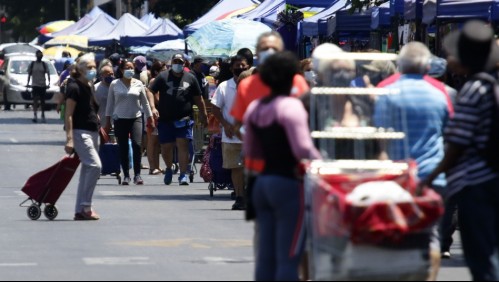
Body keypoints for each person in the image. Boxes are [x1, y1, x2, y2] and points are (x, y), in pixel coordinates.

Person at [422, 20, 499, 281]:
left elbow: (457, 143)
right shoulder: (491, 85)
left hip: (476, 183)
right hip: (493, 176)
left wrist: (432, 178)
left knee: (481, 257)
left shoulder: (472, 90)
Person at [374, 42, 450, 281]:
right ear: (427, 65)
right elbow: (450, 135)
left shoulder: (386, 89)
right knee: (431, 236)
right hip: (433, 175)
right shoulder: (441, 92)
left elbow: (379, 135)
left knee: (397, 235)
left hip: (396, 177)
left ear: (400, 64)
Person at [244, 51, 321, 281]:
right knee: (289, 257)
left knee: (266, 257)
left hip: (262, 185)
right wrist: (324, 165)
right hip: (288, 185)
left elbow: (250, 151)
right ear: (292, 77)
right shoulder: (291, 107)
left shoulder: (255, 108)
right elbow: (302, 149)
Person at [231, 31, 310, 142]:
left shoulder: (297, 82)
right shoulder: (246, 86)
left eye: (274, 49)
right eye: (265, 49)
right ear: (257, 54)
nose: (269, 52)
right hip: (258, 158)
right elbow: (236, 125)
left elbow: (308, 121)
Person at [148, 53, 208, 186]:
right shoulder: (163, 77)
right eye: (175, 61)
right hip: (165, 119)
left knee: (183, 145)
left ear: (184, 63)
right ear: (171, 62)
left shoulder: (191, 78)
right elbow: (150, 90)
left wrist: (204, 114)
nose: (178, 64)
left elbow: (198, 98)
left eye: (180, 62)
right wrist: (153, 107)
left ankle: (183, 174)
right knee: (166, 147)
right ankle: (169, 169)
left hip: (184, 118)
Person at [64, 53, 101, 221]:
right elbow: (69, 114)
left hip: (92, 131)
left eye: (94, 67)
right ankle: (86, 205)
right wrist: (70, 139)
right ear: (79, 69)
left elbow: (93, 106)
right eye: (89, 67)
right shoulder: (73, 87)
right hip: (80, 132)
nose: (93, 70)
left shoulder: (88, 85)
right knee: (95, 166)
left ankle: (80, 209)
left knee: (87, 169)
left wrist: (91, 86)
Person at [105, 59, 154, 186]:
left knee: (137, 145)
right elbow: (109, 104)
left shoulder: (138, 83)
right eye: (127, 67)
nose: (130, 70)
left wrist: (150, 118)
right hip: (119, 119)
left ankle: (137, 175)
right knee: (123, 147)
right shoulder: (114, 84)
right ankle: (126, 174)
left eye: (132, 67)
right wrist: (107, 121)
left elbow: (145, 102)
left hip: (136, 118)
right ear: (121, 70)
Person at [211, 55, 250, 210]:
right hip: (231, 135)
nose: (240, 68)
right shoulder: (224, 87)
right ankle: (240, 196)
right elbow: (215, 107)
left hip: (252, 137)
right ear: (231, 68)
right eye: (237, 65)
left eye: (243, 65)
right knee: (236, 167)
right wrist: (225, 125)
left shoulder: (258, 86)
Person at [146, 61, 167, 175]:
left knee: (158, 142)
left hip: (161, 114)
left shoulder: (163, 80)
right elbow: (157, 99)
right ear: (156, 71)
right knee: (152, 141)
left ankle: (157, 166)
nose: (166, 71)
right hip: (154, 114)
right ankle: (152, 166)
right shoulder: (154, 81)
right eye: (163, 69)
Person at [26, 50, 51, 123]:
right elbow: (29, 74)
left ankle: (43, 115)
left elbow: (48, 73)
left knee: (43, 101)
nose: (39, 57)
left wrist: (49, 83)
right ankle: (35, 115)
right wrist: (27, 83)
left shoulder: (44, 64)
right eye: (38, 55)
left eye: (41, 55)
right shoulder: (33, 64)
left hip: (42, 85)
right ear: (36, 56)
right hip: (35, 85)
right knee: (35, 100)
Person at [94, 64, 114, 129]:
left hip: (115, 123)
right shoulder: (95, 89)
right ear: (102, 75)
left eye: (112, 74)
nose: (111, 76)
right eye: (108, 74)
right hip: (100, 124)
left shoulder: (117, 87)